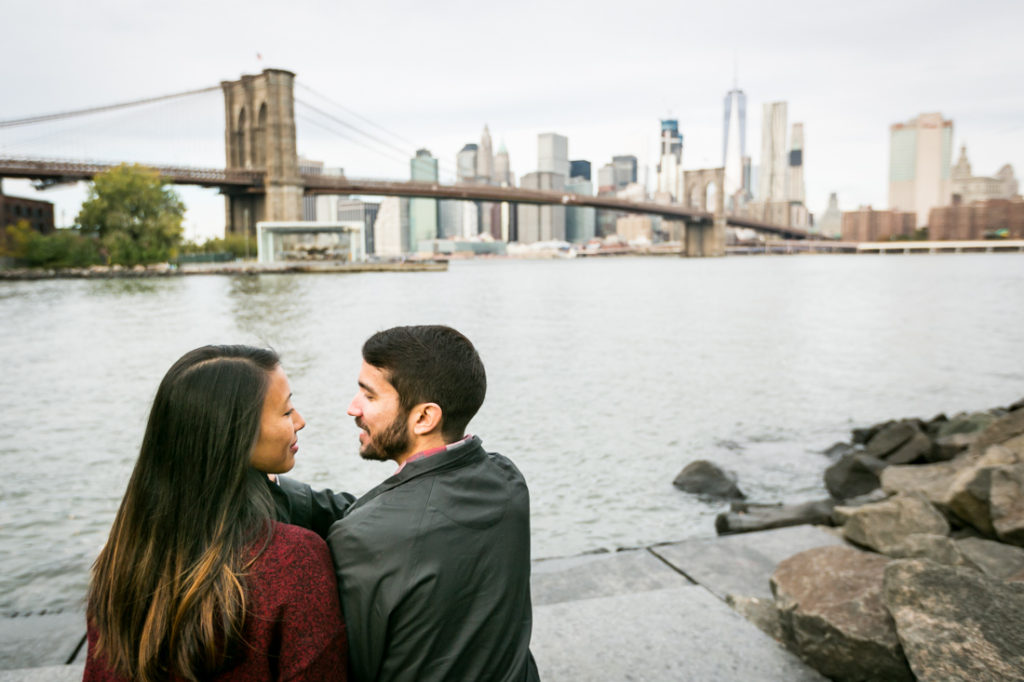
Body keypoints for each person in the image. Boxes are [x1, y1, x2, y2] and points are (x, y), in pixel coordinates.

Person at [84, 345, 348, 682]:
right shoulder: (294, 559)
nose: (300, 421)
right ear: (236, 434)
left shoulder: (119, 564)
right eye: (286, 412)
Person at [327, 325, 540, 682]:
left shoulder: (365, 537)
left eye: (369, 396)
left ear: (424, 417)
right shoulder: (508, 482)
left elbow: (351, 669)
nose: (352, 408)